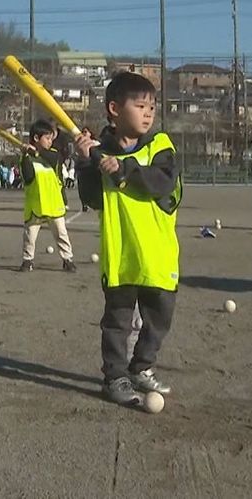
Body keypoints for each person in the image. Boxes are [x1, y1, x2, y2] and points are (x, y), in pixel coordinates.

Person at [76, 71, 182, 407]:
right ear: (114, 109)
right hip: (122, 255)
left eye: (152, 106)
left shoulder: (160, 147)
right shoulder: (99, 154)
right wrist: (87, 164)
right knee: (117, 322)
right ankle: (115, 377)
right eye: (140, 106)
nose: (149, 113)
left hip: (158, 254)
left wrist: (122, 170)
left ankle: (142, 367)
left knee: (159, 318)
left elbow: (161, 183)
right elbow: (92, 198)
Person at [18, 120, 77, 273]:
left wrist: (36, 152)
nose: (50, 142)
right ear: (36, 138)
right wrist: (25, 155)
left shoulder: (54, 155)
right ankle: (27, 260)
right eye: (47, 138)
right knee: (30, 235)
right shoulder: (28, 159)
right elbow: (28, 176)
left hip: (54, 203)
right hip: (36, 205)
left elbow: (52, 160)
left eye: (51, 138)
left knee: (61, 234)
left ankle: (67, 259)